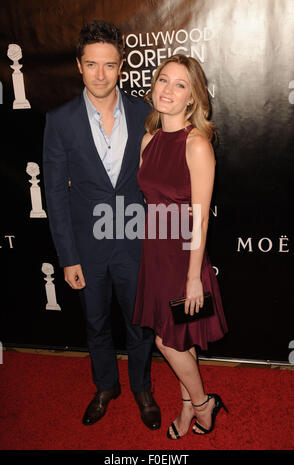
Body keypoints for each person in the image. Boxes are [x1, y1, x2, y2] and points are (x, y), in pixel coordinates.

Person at [43, 19, 161, 430]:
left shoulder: (145, 113)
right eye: (91, 64)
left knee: (139, 322)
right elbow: (54, 194)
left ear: (121, 67)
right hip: (87, 246)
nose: (99, 74)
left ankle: (142, 387)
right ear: (79, 65)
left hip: (134, 240)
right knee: (95, 322)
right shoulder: (60, 121)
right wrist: (68, 257)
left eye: (108, 65)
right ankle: (105, 385)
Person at [133, 54, 228, 439]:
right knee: (179, 339)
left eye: (180, 85)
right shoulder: (148, 139)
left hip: (185, 262)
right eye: (162, 80)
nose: (167, 90)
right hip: (155, 255)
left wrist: (193, 278)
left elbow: (201, 218)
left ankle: (204, 403)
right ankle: (190, 404)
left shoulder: (197, 145)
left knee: (165, 341)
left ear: (192, 98)